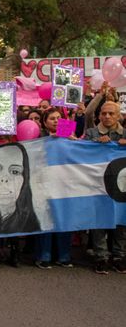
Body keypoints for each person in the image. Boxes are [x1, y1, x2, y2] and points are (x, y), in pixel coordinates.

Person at [83, 101, 126, 274]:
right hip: (98, 185)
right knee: (99, 220)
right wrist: (95, 143)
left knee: (121, 220)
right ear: (99, 115)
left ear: (119, 116)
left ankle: (119, 256)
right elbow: (79, 149)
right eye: (103, 113)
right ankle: (101, 256)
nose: (107, 117)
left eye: (111, 113)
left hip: (120, 185)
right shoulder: (91, 132)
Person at [33, 108, 73, 269]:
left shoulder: (68, 134)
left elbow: (76, 154)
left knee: (64, 219)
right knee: (46, 220)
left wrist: (71, 140)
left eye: (58, 118)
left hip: (64, 184)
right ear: (44, 122)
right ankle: (44, 256)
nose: (56, 121)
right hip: (44, 184)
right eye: (51, 119)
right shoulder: (38, 138)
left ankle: (64, 256)